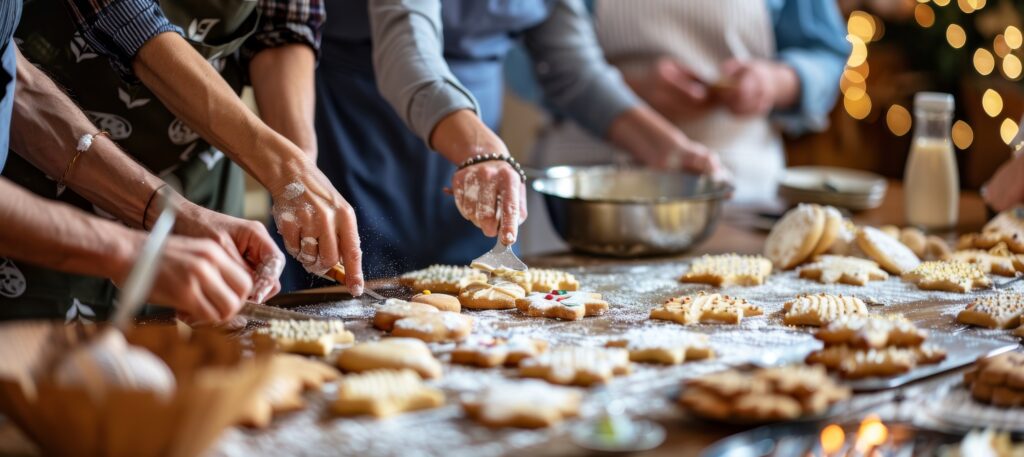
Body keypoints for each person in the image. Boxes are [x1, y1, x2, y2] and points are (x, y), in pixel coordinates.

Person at [279, 0, 725, 290]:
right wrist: (481, 150)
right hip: (365, 129)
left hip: (478, 153)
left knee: (477, 305)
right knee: (353, 293)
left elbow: (573, 67)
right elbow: (407, 52)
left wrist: (670, 149)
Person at [4, 0, 366, 315]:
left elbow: (19, 88)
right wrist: (282, 164)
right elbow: (125, 18)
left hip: (200, 181)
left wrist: (299, 172)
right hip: (42, 200)